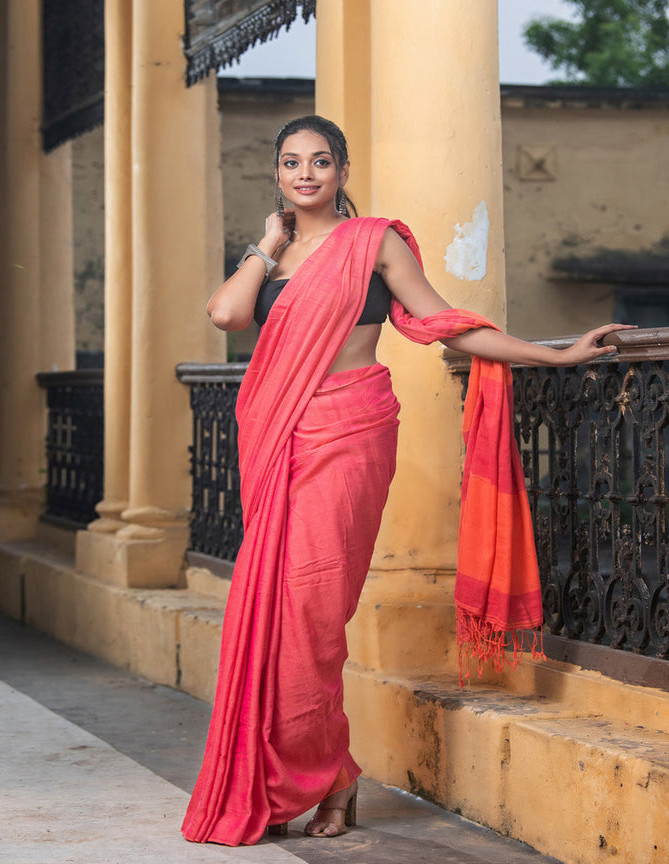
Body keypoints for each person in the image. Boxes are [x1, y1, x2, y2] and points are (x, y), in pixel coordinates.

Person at [181, 115, 633, 847]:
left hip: (350, 432)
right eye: (292, 163)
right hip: (278, 436)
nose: (306, 175)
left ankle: (326, 774)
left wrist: (551, 358)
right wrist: (267, 243)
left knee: (312, 619)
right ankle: (332, 774)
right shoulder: (277, 252)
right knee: (270, 615)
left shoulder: (374, 242)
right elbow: (228, 314)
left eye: (321, 162)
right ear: (276, 175)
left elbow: (445, 324)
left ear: (343, 171)